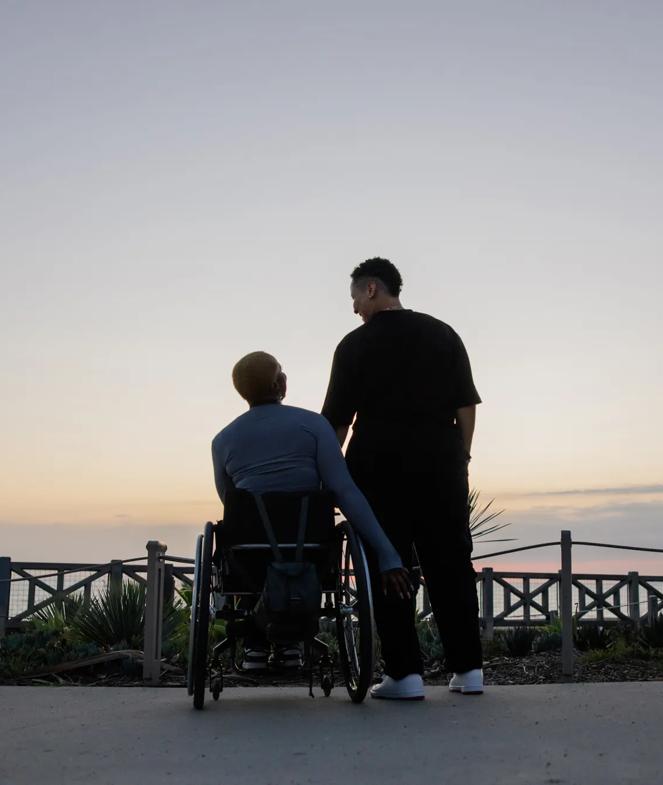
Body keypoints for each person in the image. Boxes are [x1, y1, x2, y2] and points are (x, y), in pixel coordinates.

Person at [322, 257, 483, 700]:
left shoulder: (354, 346)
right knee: (450, 562)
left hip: (379, 467)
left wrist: (327, 474)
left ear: (372, 289)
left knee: (387, 562)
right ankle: (469, 671)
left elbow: (336, 421)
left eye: (355, 296)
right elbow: (465, 405)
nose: (354, 307)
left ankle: (405, 676)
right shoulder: (443, 333)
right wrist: (461, 457)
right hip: (441, 464)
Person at [212, 350, 411, 671]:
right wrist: (387, 553)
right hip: (312, 548)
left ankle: (255, 646)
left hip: (250, 554)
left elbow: (230, 503)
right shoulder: (313, 425)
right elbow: (344, 490)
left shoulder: (222, 440)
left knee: (251, 548)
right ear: (280, 383)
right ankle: (292, 641)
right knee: (295, 548)